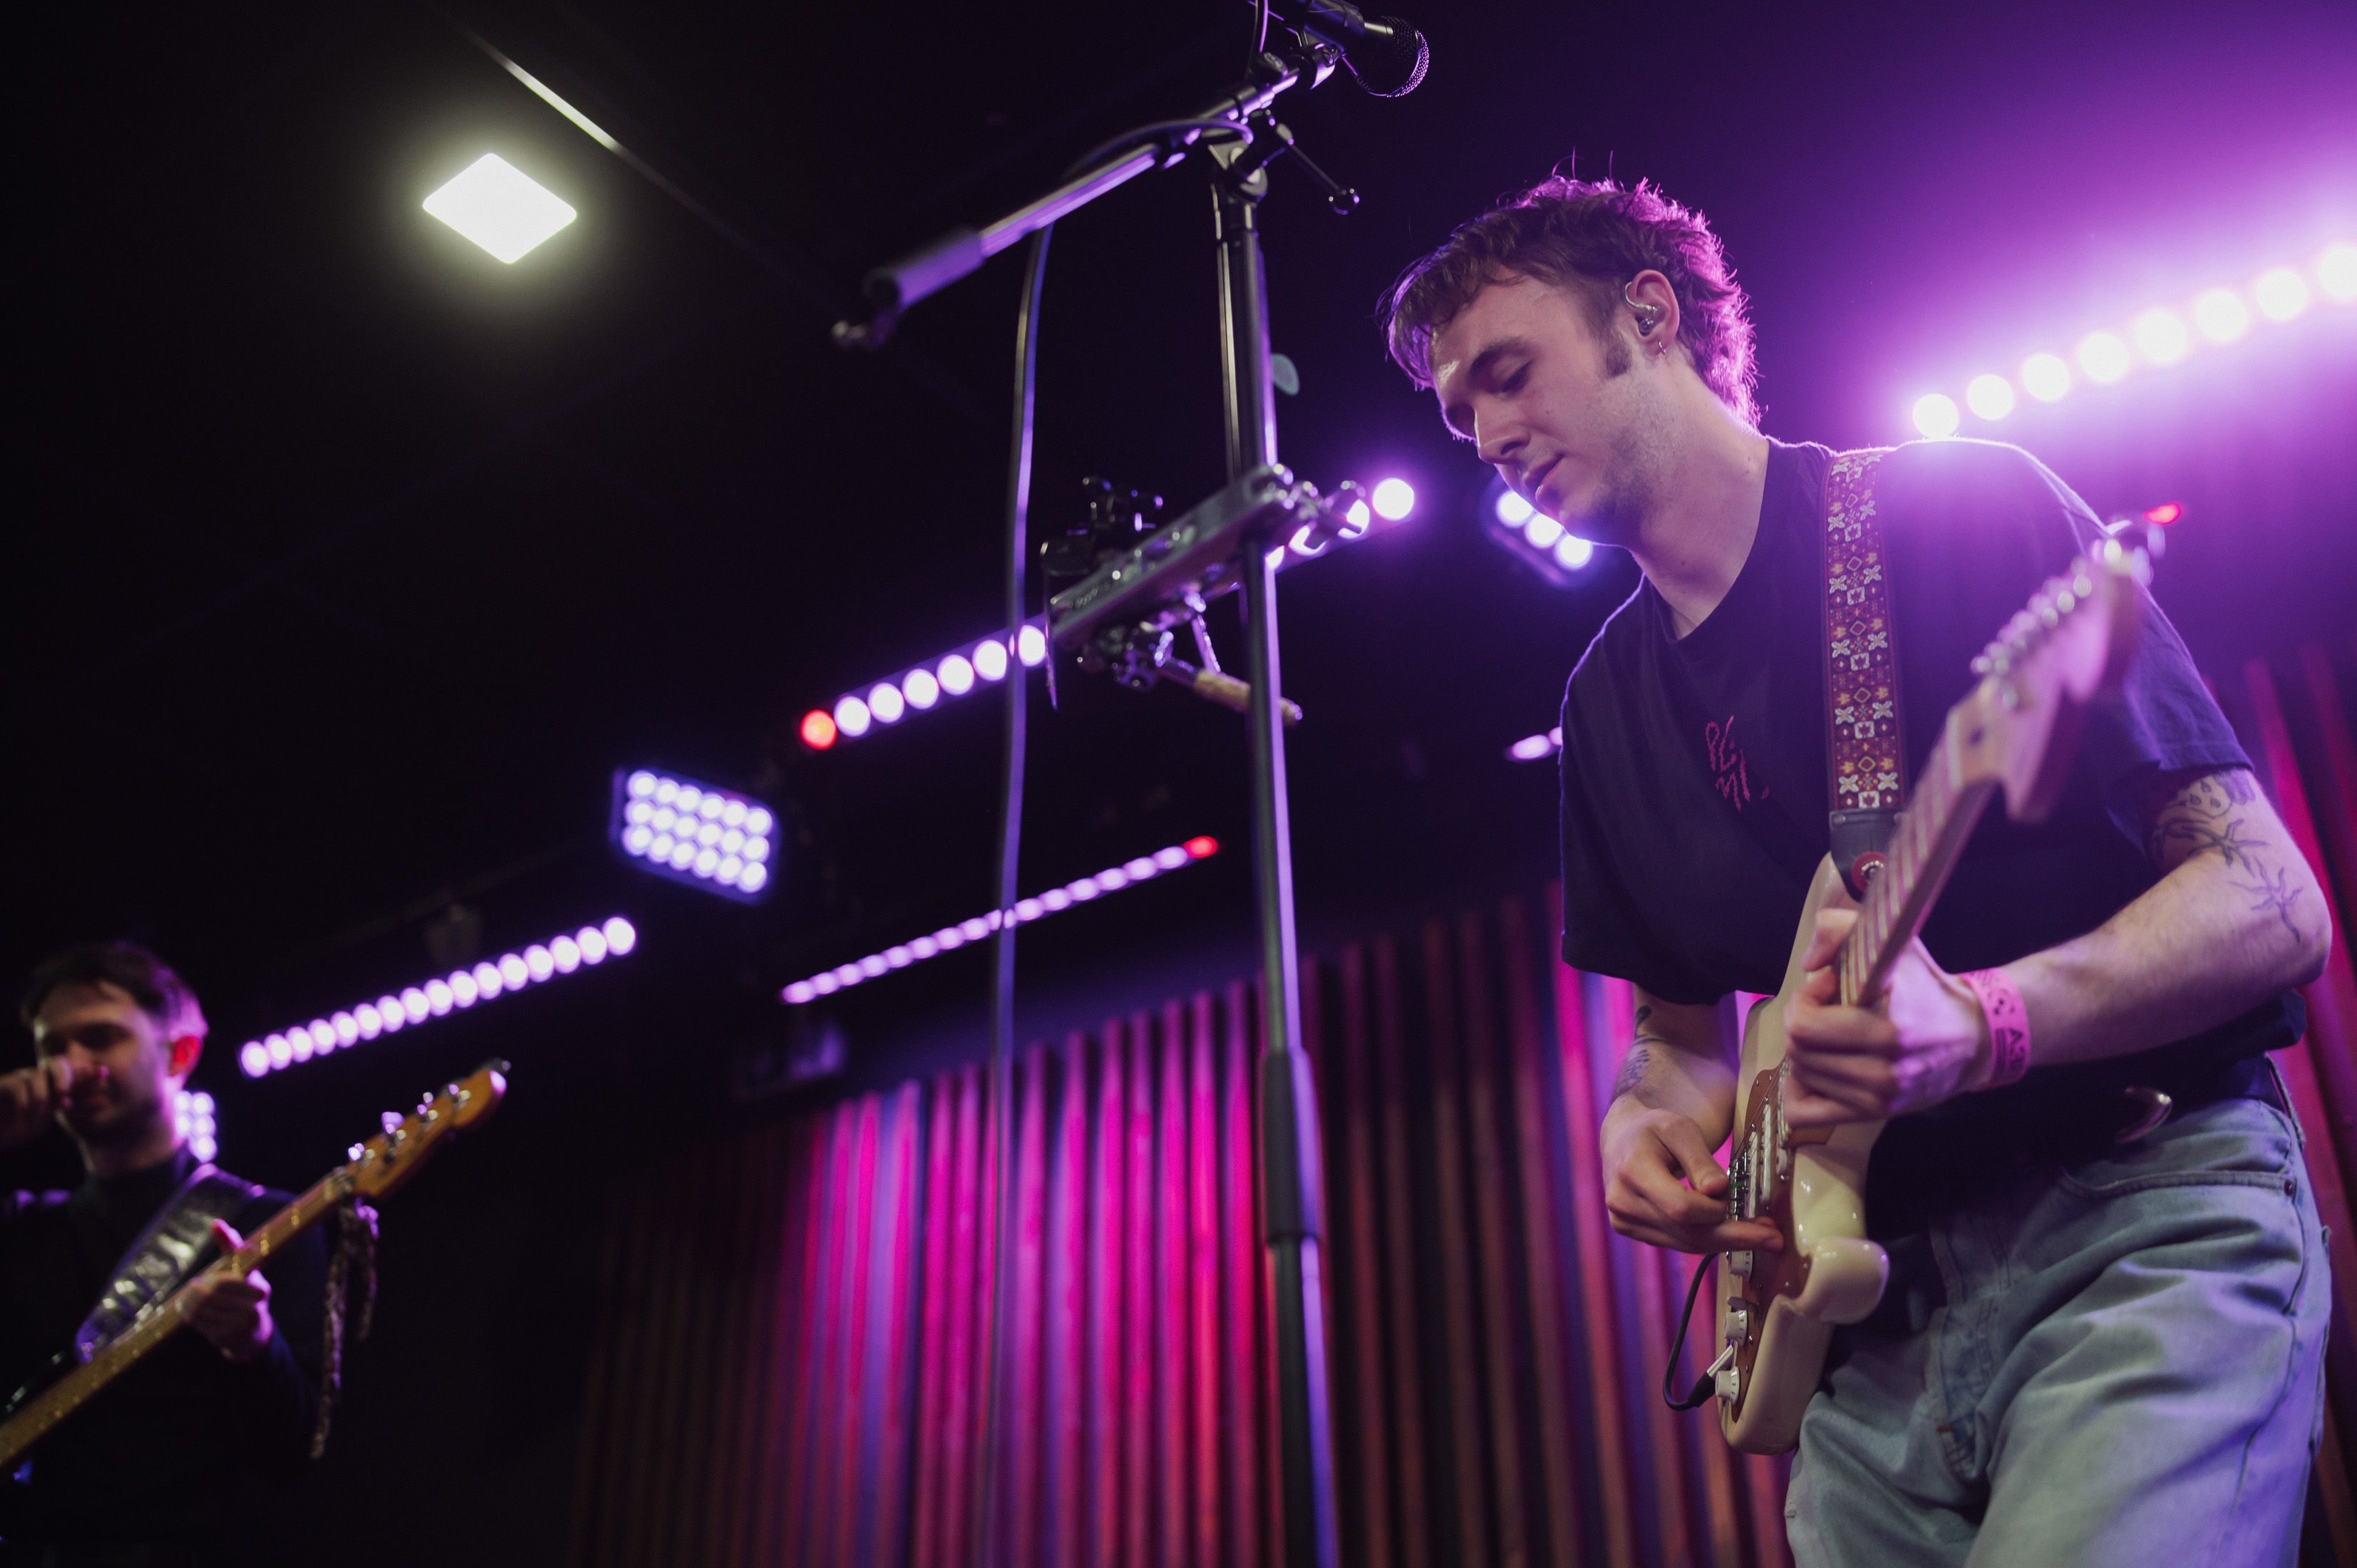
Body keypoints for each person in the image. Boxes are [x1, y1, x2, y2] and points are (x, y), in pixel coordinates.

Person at [1383, 176, 2333, 1564]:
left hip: (2133, 1222)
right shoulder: (1603, 707)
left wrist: (1990, 1022)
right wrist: (1641, 1126)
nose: (1487, 436)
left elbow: (2274, 902)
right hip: (1860, 1332)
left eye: (1508, 374)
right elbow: (1676, 1039)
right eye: (1460, 413)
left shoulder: (1956, 511)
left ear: (1648, 315)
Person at [0, 942, 324, 1567]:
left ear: (179, 1053)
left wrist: (254, 1345)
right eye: (52, 1047)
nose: (70, 1067)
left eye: (100, 1039)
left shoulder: (272, 1223)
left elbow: (294, 1452)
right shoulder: (20, 1227)